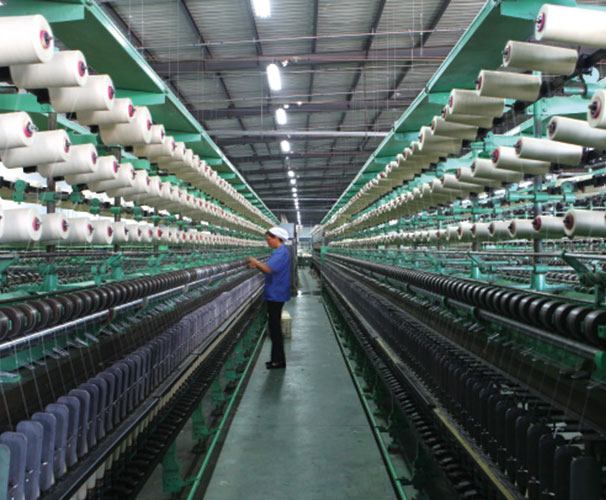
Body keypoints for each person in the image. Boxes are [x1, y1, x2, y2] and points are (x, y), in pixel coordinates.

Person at [248, 227, 291, 369]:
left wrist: (255, 261)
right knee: (273, 327)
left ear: (276, 238)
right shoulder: (279, 252)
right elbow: (268, 269)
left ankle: (278, 361)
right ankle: (276, 359)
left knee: (275, 328)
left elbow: (268, 269)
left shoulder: (281, 252)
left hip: (276, 294)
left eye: (268, 239)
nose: (267, 242)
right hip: (275, 293)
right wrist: (257, 266)